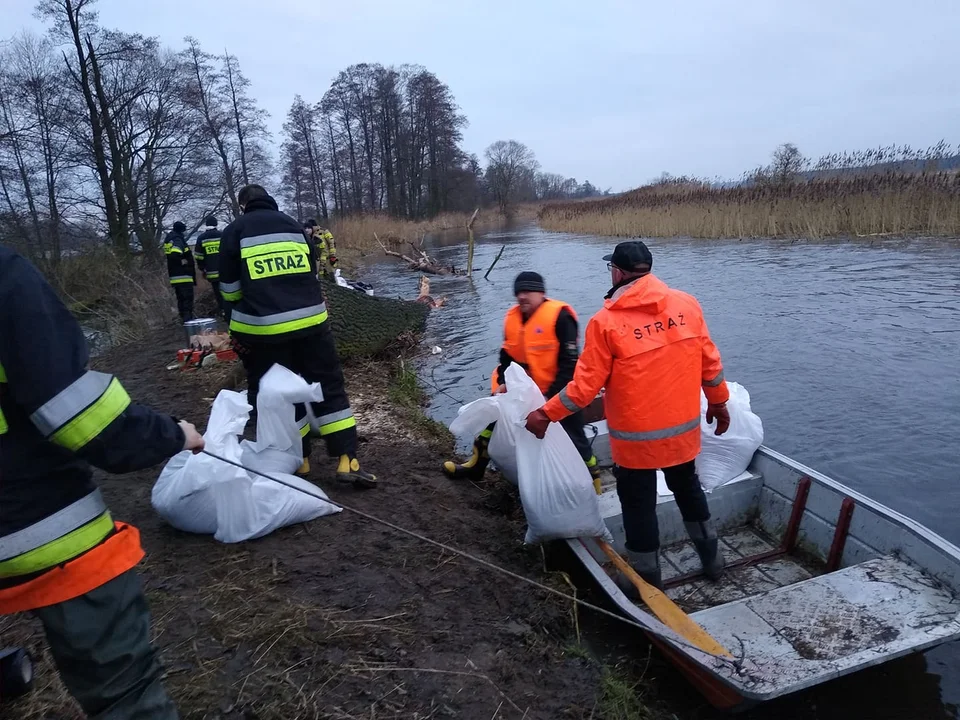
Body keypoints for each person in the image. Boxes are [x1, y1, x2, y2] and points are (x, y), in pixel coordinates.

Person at [0, 245, 205, 719]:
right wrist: (174, 434)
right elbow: (81, 415)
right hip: (41, 530)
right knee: (126, 696)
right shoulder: (6, 276)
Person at [525, 241, 731, 592]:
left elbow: (584, 388)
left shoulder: (605, 323)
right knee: (689, 490)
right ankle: (713, 560)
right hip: (682, 434)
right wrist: (719, 402)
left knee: (638, 507)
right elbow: (709, 364)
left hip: (636, 442)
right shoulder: (687, 305)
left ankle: (646, 579)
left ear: (617, 272)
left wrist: (546, 413)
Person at [219, 184, 377, 488]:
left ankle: (301, 460)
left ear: (243, 205)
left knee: (280, 394)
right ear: (270, 201)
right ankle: (348, 459)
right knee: (328, 385)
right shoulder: (294, 226)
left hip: (264, 334)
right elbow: (312, 275)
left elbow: (229, 291)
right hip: (312, 324)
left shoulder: (235, 231)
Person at [443, 272, 601, 487]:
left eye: (528, 291)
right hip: (522, 392)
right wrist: (502, 382)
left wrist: (549, 398)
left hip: (559, 392)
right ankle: (476, 467)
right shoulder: (512, 318)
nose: (523, 297)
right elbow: (506, 358)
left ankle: (593, 481)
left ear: (541, 293)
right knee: (490, 425)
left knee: (574, 437)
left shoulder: (561, 317)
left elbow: (569, 365)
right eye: (519, 292)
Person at [164, 220, 196, 322]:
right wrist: (185, 264)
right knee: (187, 299)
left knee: (181, 299)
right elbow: (174, 255)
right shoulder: (177, 239)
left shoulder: (170, 239)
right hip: (183, 276)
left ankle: (184, 320)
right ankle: (188, 321)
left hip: (175, 276)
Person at [195, 215, 226, 318]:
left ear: (206, 225)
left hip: (212, 273)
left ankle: (223, 311)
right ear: (216, 224)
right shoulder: (223, 235)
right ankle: (231, 311)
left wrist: (202, 268)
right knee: (229, 291)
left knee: (218, 293)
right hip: (226, 272)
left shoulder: (201, 238)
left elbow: (199, 256)